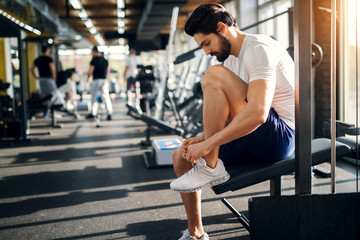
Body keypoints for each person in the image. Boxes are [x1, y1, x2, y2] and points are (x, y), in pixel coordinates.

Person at [170, 3, 295, 240]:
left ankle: (210, 166)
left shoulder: (258, 48)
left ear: (222, 28)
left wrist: (208, 145)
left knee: (212, 74)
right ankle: (196, 233)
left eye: (206, 43)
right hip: (255, 134)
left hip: (282, 137)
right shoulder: (229, 61)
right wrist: (201, 139)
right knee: (180, 156)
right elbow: (233, 118)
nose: (206, 52)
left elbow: (258, 114)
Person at [86, 46, 113, 120]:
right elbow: (108, 71)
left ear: (94, 51)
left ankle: (93, 113)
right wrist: (106, 79)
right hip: (104, 80)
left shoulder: (94, 60)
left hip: (96, 80)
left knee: (93, 96)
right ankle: (109, 113)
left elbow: (90, 71)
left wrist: (87, 78)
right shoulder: (105, 60)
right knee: (106, 97)